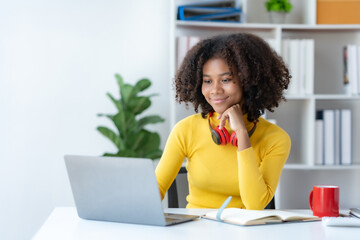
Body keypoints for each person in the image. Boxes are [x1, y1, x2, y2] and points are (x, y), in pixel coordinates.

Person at [155, 33, 291, 210]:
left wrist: (242, 135)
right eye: (207, 81)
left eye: (226, 80)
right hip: (194, 230)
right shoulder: (185, 130)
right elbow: (155, 191)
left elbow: (255, 204)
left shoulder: (276, 139)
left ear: (248, 81)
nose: (215, 90)